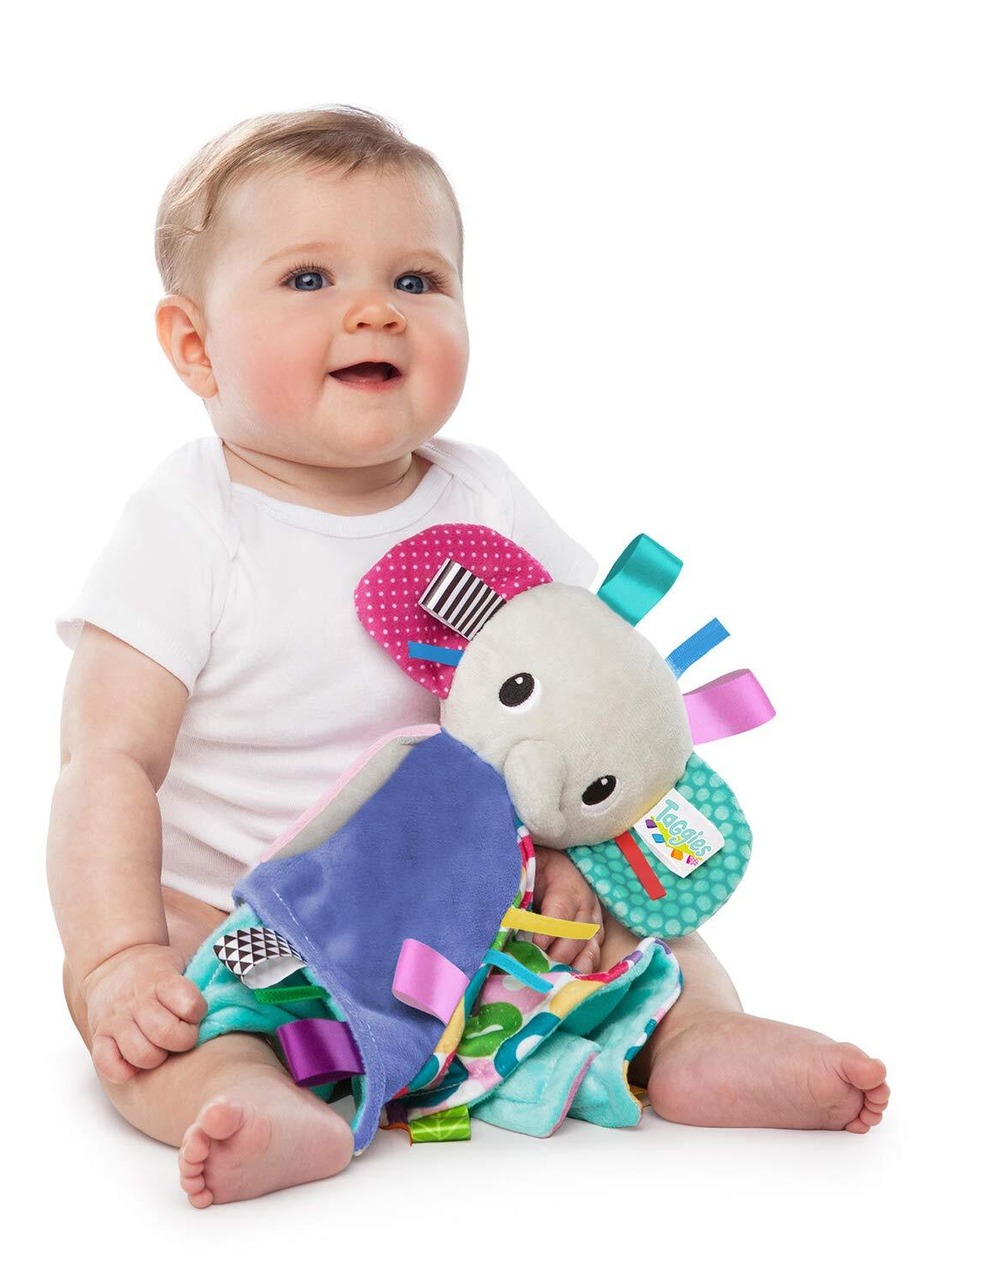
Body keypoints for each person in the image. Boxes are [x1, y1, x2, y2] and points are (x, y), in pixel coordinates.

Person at [47, 106, 890, 1210]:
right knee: (155, 1022)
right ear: (194, 345)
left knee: (663, 926)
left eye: (417, 280)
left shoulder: (481, 498)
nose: (374, 311)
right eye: (308, 278)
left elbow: (591, 698)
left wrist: (582, 858)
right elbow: (106, 762)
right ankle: (256, 1095)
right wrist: (118, 959)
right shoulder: (188, 527)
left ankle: (697, 1038)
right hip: (267, 934)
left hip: (494, 919)